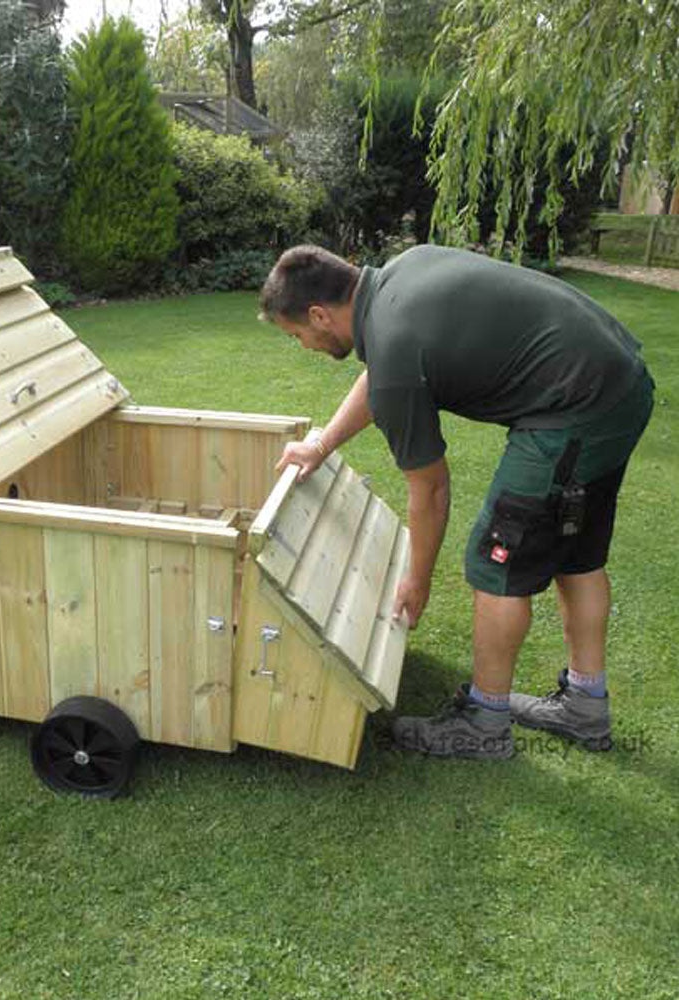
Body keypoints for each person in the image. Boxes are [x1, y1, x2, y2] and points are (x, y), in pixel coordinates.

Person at [261, 244, 655, 760]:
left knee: (496, 562)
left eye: (298, 335)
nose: (304, 345)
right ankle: (585, 706)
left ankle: (484, 724)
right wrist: (319, 445)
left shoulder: (396, 345)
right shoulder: (402, 273)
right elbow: (383, 370)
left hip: (574, 408)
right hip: (619, 384)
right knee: (575, 555)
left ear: (319, 314)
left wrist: (417, 579)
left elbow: (431, 488)